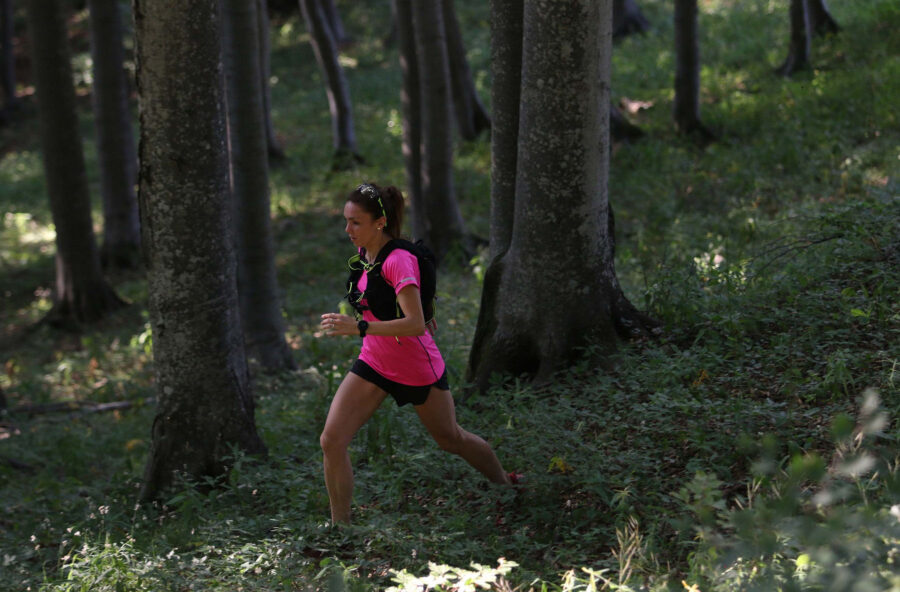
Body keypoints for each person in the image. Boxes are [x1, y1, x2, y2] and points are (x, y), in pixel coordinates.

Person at [318, 182, 512, 524]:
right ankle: (340, 529)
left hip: (414, 366)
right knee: (331, 440)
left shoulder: (399, 261)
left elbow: (415, 324)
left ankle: (505, 486)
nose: (347, 230)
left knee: (450, 438)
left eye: (356, 222)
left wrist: (359, 327)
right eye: (346, 221)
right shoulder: (366, 254)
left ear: (380, 222)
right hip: (375, 361)